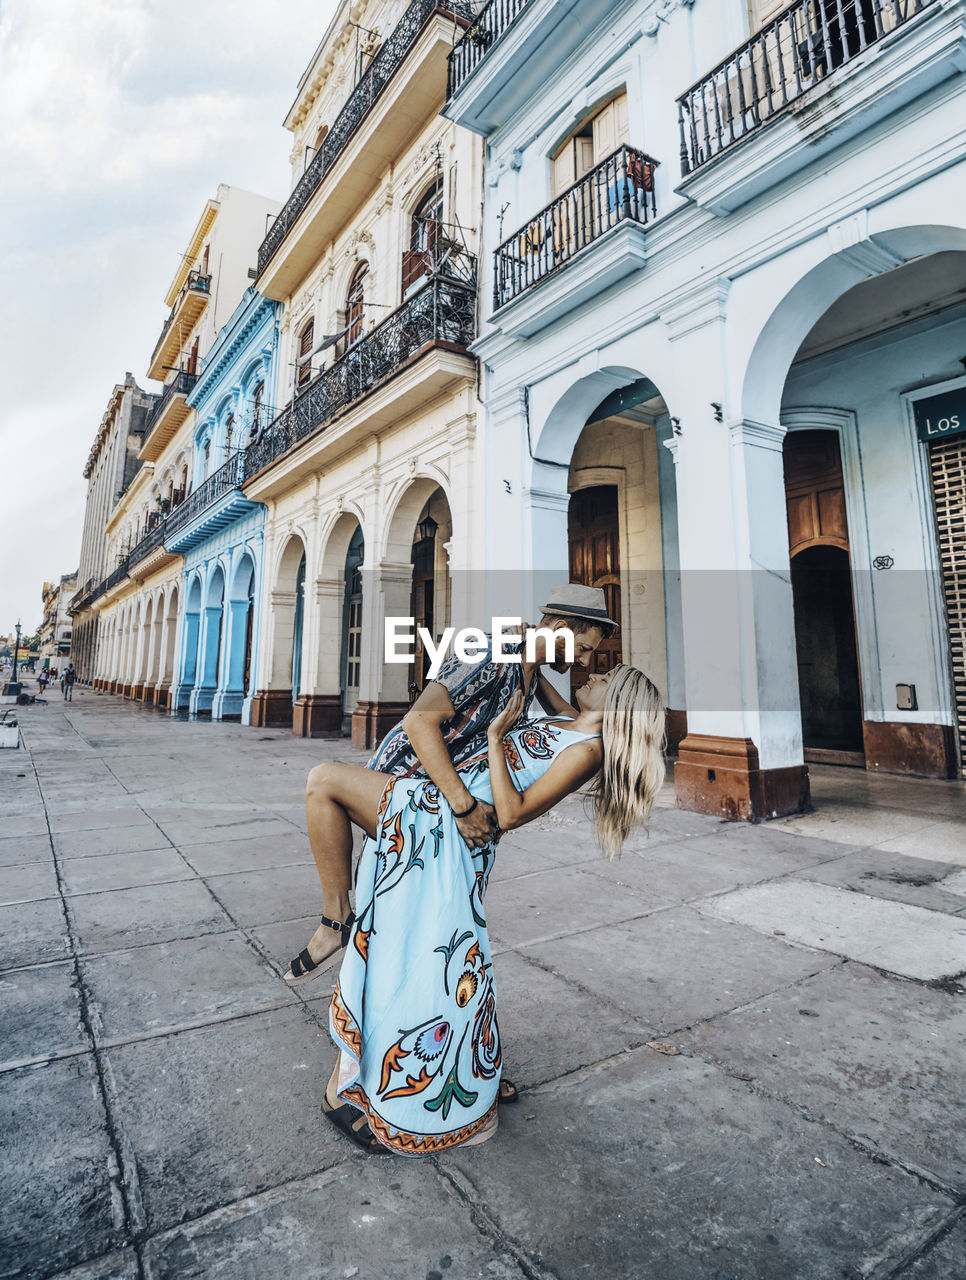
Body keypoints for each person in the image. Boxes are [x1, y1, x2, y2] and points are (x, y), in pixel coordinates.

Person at [323, 663, 666, 1155]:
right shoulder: (570, 719)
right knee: (436, 953)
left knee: (429, 957)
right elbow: (536, 677)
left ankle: (364, 1078)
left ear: (619, 706)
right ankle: (459, 1075)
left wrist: (494, 736)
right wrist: (527, 650)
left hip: (457, 833)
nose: (594, 672)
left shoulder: (588, 751)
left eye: (608, 678)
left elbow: (511, 812)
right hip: (442, 824)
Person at [283, 585, 617, 987]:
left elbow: (559, 713)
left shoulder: (523, 672)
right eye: (582, 648)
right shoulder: (490, 654)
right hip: (409, 786)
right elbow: (418, 722)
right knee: (323, 784)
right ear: (561, 627)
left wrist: (531, 652)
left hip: (434, 803)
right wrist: (464, 807)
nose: (583, 661)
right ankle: (335, 919)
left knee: (395, 929)